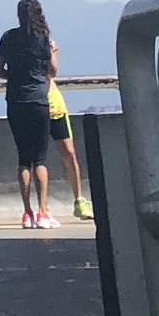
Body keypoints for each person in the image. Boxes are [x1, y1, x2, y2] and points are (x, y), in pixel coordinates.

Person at [0, 0, 58, 230]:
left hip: (15, 101)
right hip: (38, 101)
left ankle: (27, 213)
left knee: (23, 159)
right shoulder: (42, 38)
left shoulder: (8, 37)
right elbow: (52, 69)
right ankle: (43, 212)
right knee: (40, 159)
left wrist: (15, 76)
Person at [45, 77, 93, 221]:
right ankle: (42, 208)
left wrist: (51, 53)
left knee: (69, 152)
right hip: (32, 104)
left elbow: (52, 70)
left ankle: (79, 200)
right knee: (36, 157)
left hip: (55, 106)